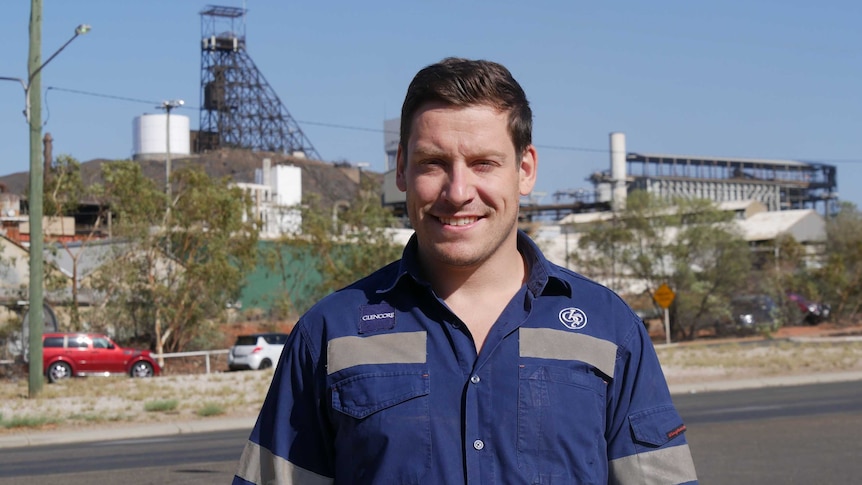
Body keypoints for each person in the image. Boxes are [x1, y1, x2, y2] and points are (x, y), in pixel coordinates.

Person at [233, 57, 698, 485]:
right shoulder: (330, 333)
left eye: (483, 163)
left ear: (526, 169)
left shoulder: (608, 328)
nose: (458, 192)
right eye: (433, 164)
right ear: (400, 171)